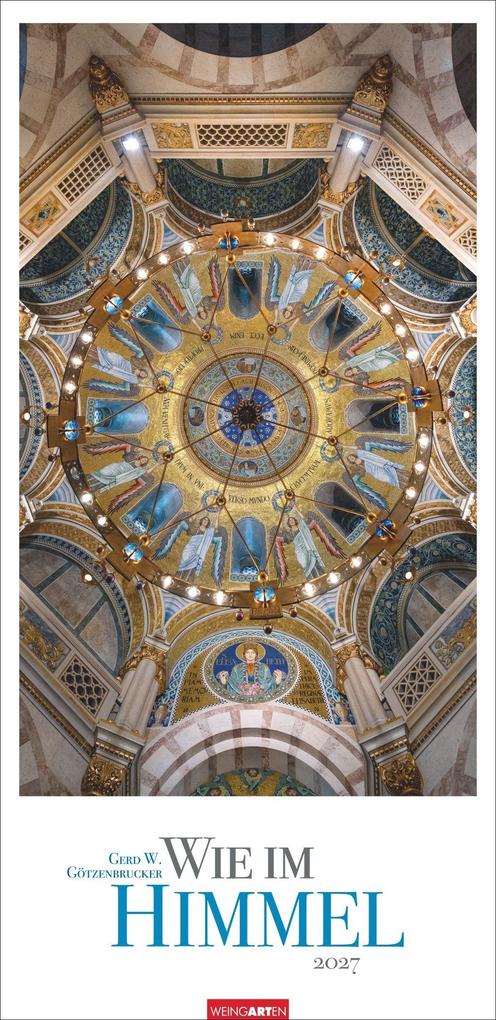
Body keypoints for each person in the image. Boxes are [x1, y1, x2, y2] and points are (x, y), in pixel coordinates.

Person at [217, 642, 284, 699]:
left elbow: (268, 683)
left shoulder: (264, 668)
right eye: (247, 652)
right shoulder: (236, 668)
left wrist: (277, 682)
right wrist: (224, 683)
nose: (250, 655)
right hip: (240, 696)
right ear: (244, 655)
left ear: (256, 655)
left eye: (253, 653)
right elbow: (233, 684)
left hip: (260, 696)